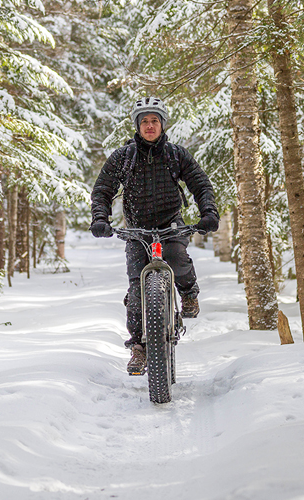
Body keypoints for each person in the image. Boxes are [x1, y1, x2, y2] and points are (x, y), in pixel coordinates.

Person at [90, 97, 219, 374]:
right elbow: (103, 189)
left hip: (170, 224)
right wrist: (100, 218)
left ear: (162, 124)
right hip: (137, 230)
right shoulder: (124, 157)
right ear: (137, 126)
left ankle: (189, 292)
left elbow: (201, 184)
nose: (150, 126)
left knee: (175, 256)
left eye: (154, 121)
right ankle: (139, 347)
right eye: (144, 121)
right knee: (137, 289)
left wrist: (208, 212)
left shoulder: (175, 154)